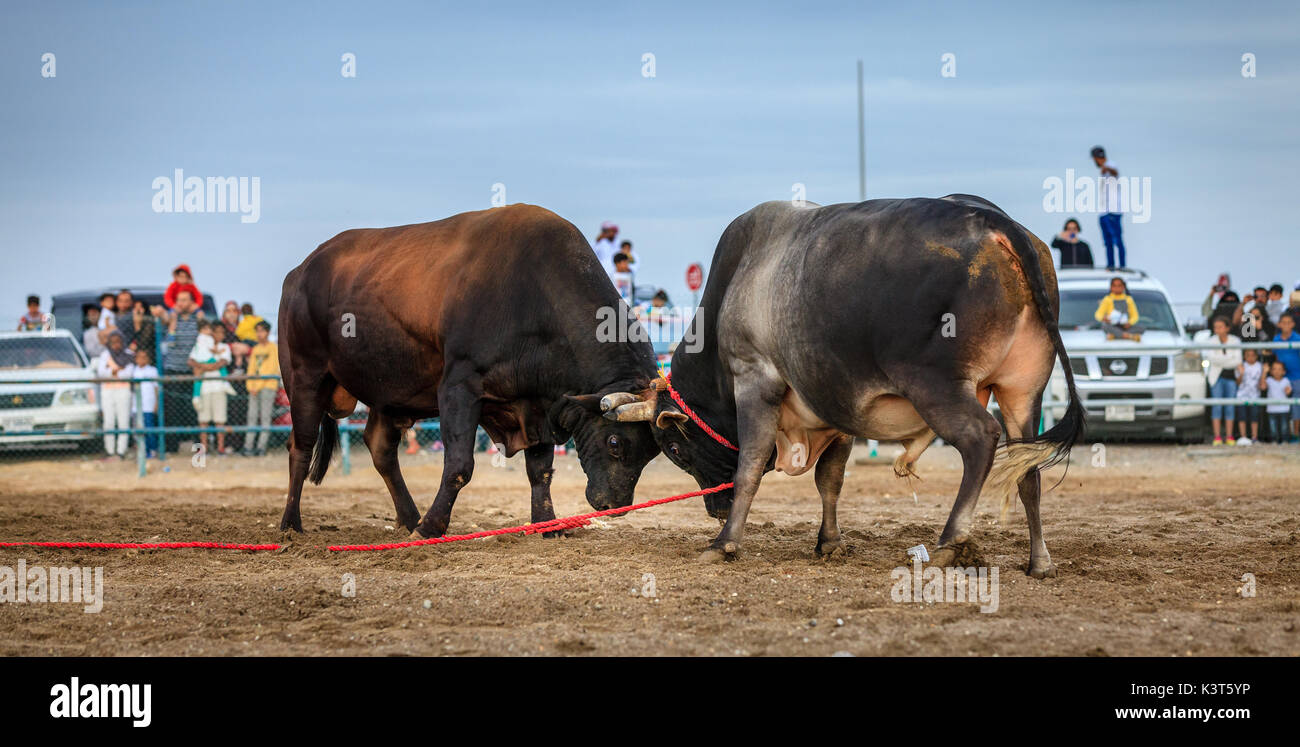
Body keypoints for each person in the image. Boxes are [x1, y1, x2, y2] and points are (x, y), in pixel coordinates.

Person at [156, 289, 204, 453]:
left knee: (195, 409)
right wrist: (172, 323)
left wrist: (198, 312)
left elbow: (204, 335)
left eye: (186, 300)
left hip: (193, 371)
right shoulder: (171, 320)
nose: (182, 303)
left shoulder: (197, 319)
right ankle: (171, 447)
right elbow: (169, 344)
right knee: (172, 410)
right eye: (179, 300)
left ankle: (198, 445)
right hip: (174, 370)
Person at [190, 320, 234, 455]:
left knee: (220, 420)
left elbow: (222, 362)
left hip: (219, 388)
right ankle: (204, 449)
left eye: (222, 332)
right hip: (204, 388)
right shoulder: (201, 345)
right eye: (216, 332)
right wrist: (206, 366)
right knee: (203, 421)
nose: (219, 335)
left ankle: (220, 448)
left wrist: (204, 367)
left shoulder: (224, 347)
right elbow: (191, 361)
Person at [1202, 316, 1242, 445]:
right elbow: (1211, 358)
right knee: (1217, 406)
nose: (1217, 330)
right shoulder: (1211, 341)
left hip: (1231, 377)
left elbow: (1237, 361)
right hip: (1216, 377)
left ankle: (1229, 436)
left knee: (1230, 407)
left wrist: (1222, 360)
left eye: (1220, 327)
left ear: (1227, 328)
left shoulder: (1235, 341)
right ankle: (1217, 437)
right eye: (1215, 327)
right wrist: (1229, 359)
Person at [242, 321, 279, 457]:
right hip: (254, 388)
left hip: (267, 387)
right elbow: (251, 369)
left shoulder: (273, 348)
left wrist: (257, 386)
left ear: (268, 332)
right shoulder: (256, 349)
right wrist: (250, 386)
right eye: (257, 331)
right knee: (251, 417)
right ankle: (248, 446)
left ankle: (261, 447)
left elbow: (271, 369)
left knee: (265, 417)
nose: (259, 334)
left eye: (262, 331)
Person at [96, 330, 134, 459]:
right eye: (113, 342)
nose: (116, 345)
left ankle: (121, 451)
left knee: (123, 421)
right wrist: (115, 371)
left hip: (123, 391)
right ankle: (110, 450)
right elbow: (101, 373)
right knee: (109, 421)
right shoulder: (105, 355)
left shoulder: (129, 355)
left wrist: (111, 371)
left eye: (118, 342)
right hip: (107, 391)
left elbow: (128, 374)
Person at [1091, 146, 1126, 269]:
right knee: (1108, 242)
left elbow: (1115, 172)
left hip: (1113, 211)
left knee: (1117, 240)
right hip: (1104, 211)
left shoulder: (1111, 165)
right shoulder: (1104, 171)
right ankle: (1110, 265)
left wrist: (1106, 167)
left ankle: (1122, 266)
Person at [1272, 312, 1300, 442]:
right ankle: (1283, 435)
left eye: (1289, 322)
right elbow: (1274, 355)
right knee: (1281, 406)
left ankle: (1295, 434)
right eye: (1283, 322)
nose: (1286, 325)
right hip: (1280, 378)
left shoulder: (1298, 338)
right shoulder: (1276, 340)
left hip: (1296, 377)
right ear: (1279, 324)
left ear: (1293, 324)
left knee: (1296, 406)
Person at [131, 348, 160, 459]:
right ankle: (142, 450)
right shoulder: (134, 371)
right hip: (136, 406)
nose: (141, 360)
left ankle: (152, 450)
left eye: (144, 357)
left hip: (148, 405)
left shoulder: (152, 371)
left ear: (148, 359)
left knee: (149, 429)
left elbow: (156, 388)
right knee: (138, 430)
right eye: (139, 357)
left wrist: (156, 403)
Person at [1235, 348, 1263, 446]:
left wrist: (1264, 373)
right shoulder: (1241, 366)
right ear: (1244, 356)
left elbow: (1262, 385)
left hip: (1255, 396)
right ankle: (1243, 437)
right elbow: (1237, 383)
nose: (1250, 358)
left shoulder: (1260, 366)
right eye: (1248, 355)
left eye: (1253, 355)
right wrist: (1242, 373)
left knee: (1254, 418)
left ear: (1256, 356)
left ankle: (1254, 438)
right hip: (1241, 396)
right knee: (1242, 417)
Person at [1262, 360, 1293, 443]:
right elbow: (1262, 387)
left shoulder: (1286, 380)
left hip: (1284, 409)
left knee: (1284, 427)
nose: (1277, 371)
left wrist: (1288, 391)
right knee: (1273, 428)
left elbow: (1289, 392)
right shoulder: (1268, 380)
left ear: (1284, 371)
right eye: (1274, 369)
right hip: (1272, 409)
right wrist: (1264, 373)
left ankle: (1285, 441)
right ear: (1271, 371)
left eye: (1279, 369)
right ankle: (1274, 441)